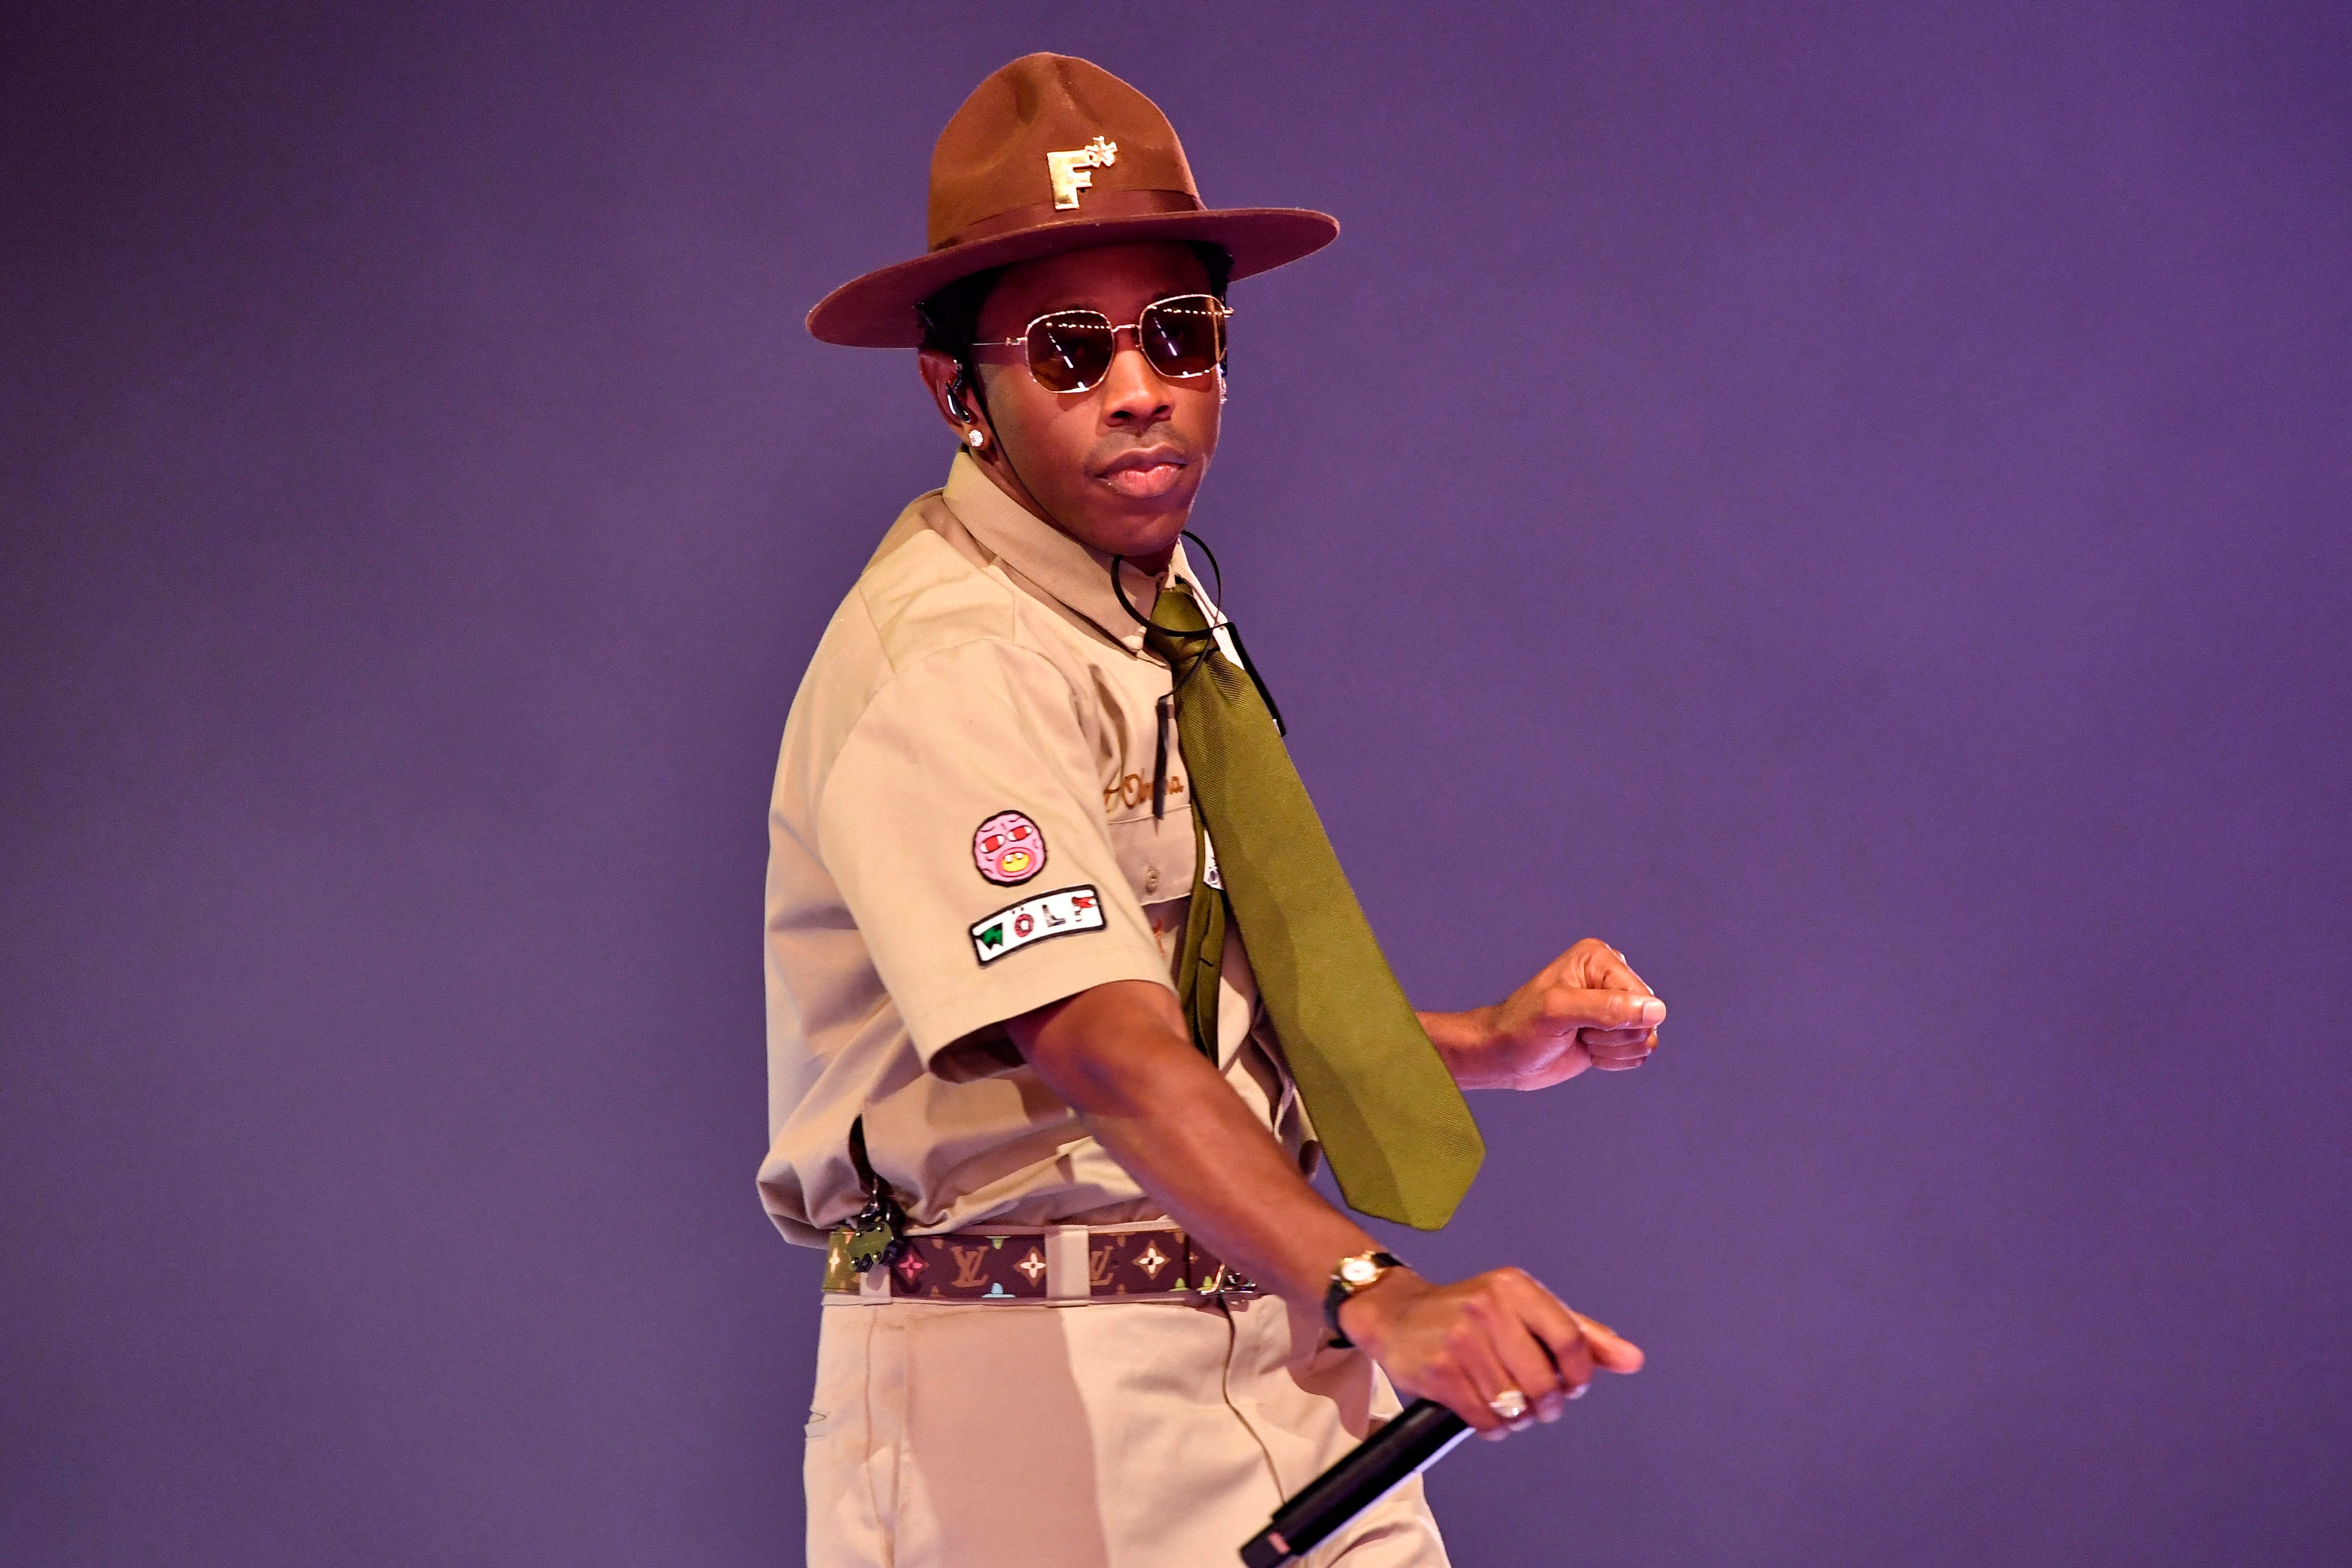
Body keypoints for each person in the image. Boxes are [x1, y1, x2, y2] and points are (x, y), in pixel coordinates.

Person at [761, 53, 1666, 1568]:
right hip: (1024, 1399)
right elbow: (1099, 1044)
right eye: (1067, 350)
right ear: (957, 393)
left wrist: (1470, 1046)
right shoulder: (950, 657)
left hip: (1273, 1347)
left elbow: (1181, 998)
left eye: (1178, 333)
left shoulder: (1151, 602)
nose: (1138, 388)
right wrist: (1377, 1290)